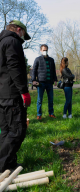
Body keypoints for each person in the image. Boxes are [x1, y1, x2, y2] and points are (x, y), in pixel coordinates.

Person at [0, 20, 31, 172]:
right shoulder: (13, 41)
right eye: (23, 34)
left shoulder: (1, 42)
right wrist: (24, 91)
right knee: (17, 131)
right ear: (19, 29)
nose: (23, 39)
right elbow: (14, 67)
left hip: (2, 94)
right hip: (12, 94)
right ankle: (2, 165)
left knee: (6, 131)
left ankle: (9, 164)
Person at [32, 44, 58, 120]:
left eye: (46, 50)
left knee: (51, 99)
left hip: (49, 83)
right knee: (39, 100)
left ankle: (51, 113)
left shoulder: (51, 60)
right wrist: (33, 80)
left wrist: (55, 80)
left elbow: (53, 71)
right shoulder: (37, 59)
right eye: (43, 50)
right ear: (41, 51)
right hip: (41, 83)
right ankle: (39, 114)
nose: (45, 51)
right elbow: (33, 71)